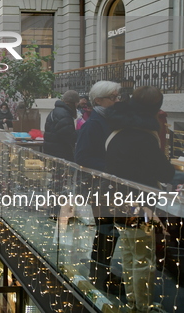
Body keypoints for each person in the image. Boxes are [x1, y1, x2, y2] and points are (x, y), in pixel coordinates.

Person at [105, 86, 175, 313]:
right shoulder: (143, 136)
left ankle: (134, 302)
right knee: (143, 259)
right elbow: (164, 173)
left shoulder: (117, 129)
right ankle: (142, 307)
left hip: (118, 201)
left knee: (129, 254)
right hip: (141, 205)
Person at [74, 81, 121, 293]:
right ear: (99, 100)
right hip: (98, 187)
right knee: (106, 231)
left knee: (108, 231)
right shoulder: (94, 124)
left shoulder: (108, 120)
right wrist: (113, 167)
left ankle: (101, 272)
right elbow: (82, 156)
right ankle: (100, 275)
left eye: (117, 96)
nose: (117, 100)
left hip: (106, 186)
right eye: (112, 97)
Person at [43, 90, 80, 161]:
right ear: (74, 103)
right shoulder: (64, 115)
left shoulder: (55, 111)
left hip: (51, 152)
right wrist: (81, 131)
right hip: (60, 155)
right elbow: (69, 137)